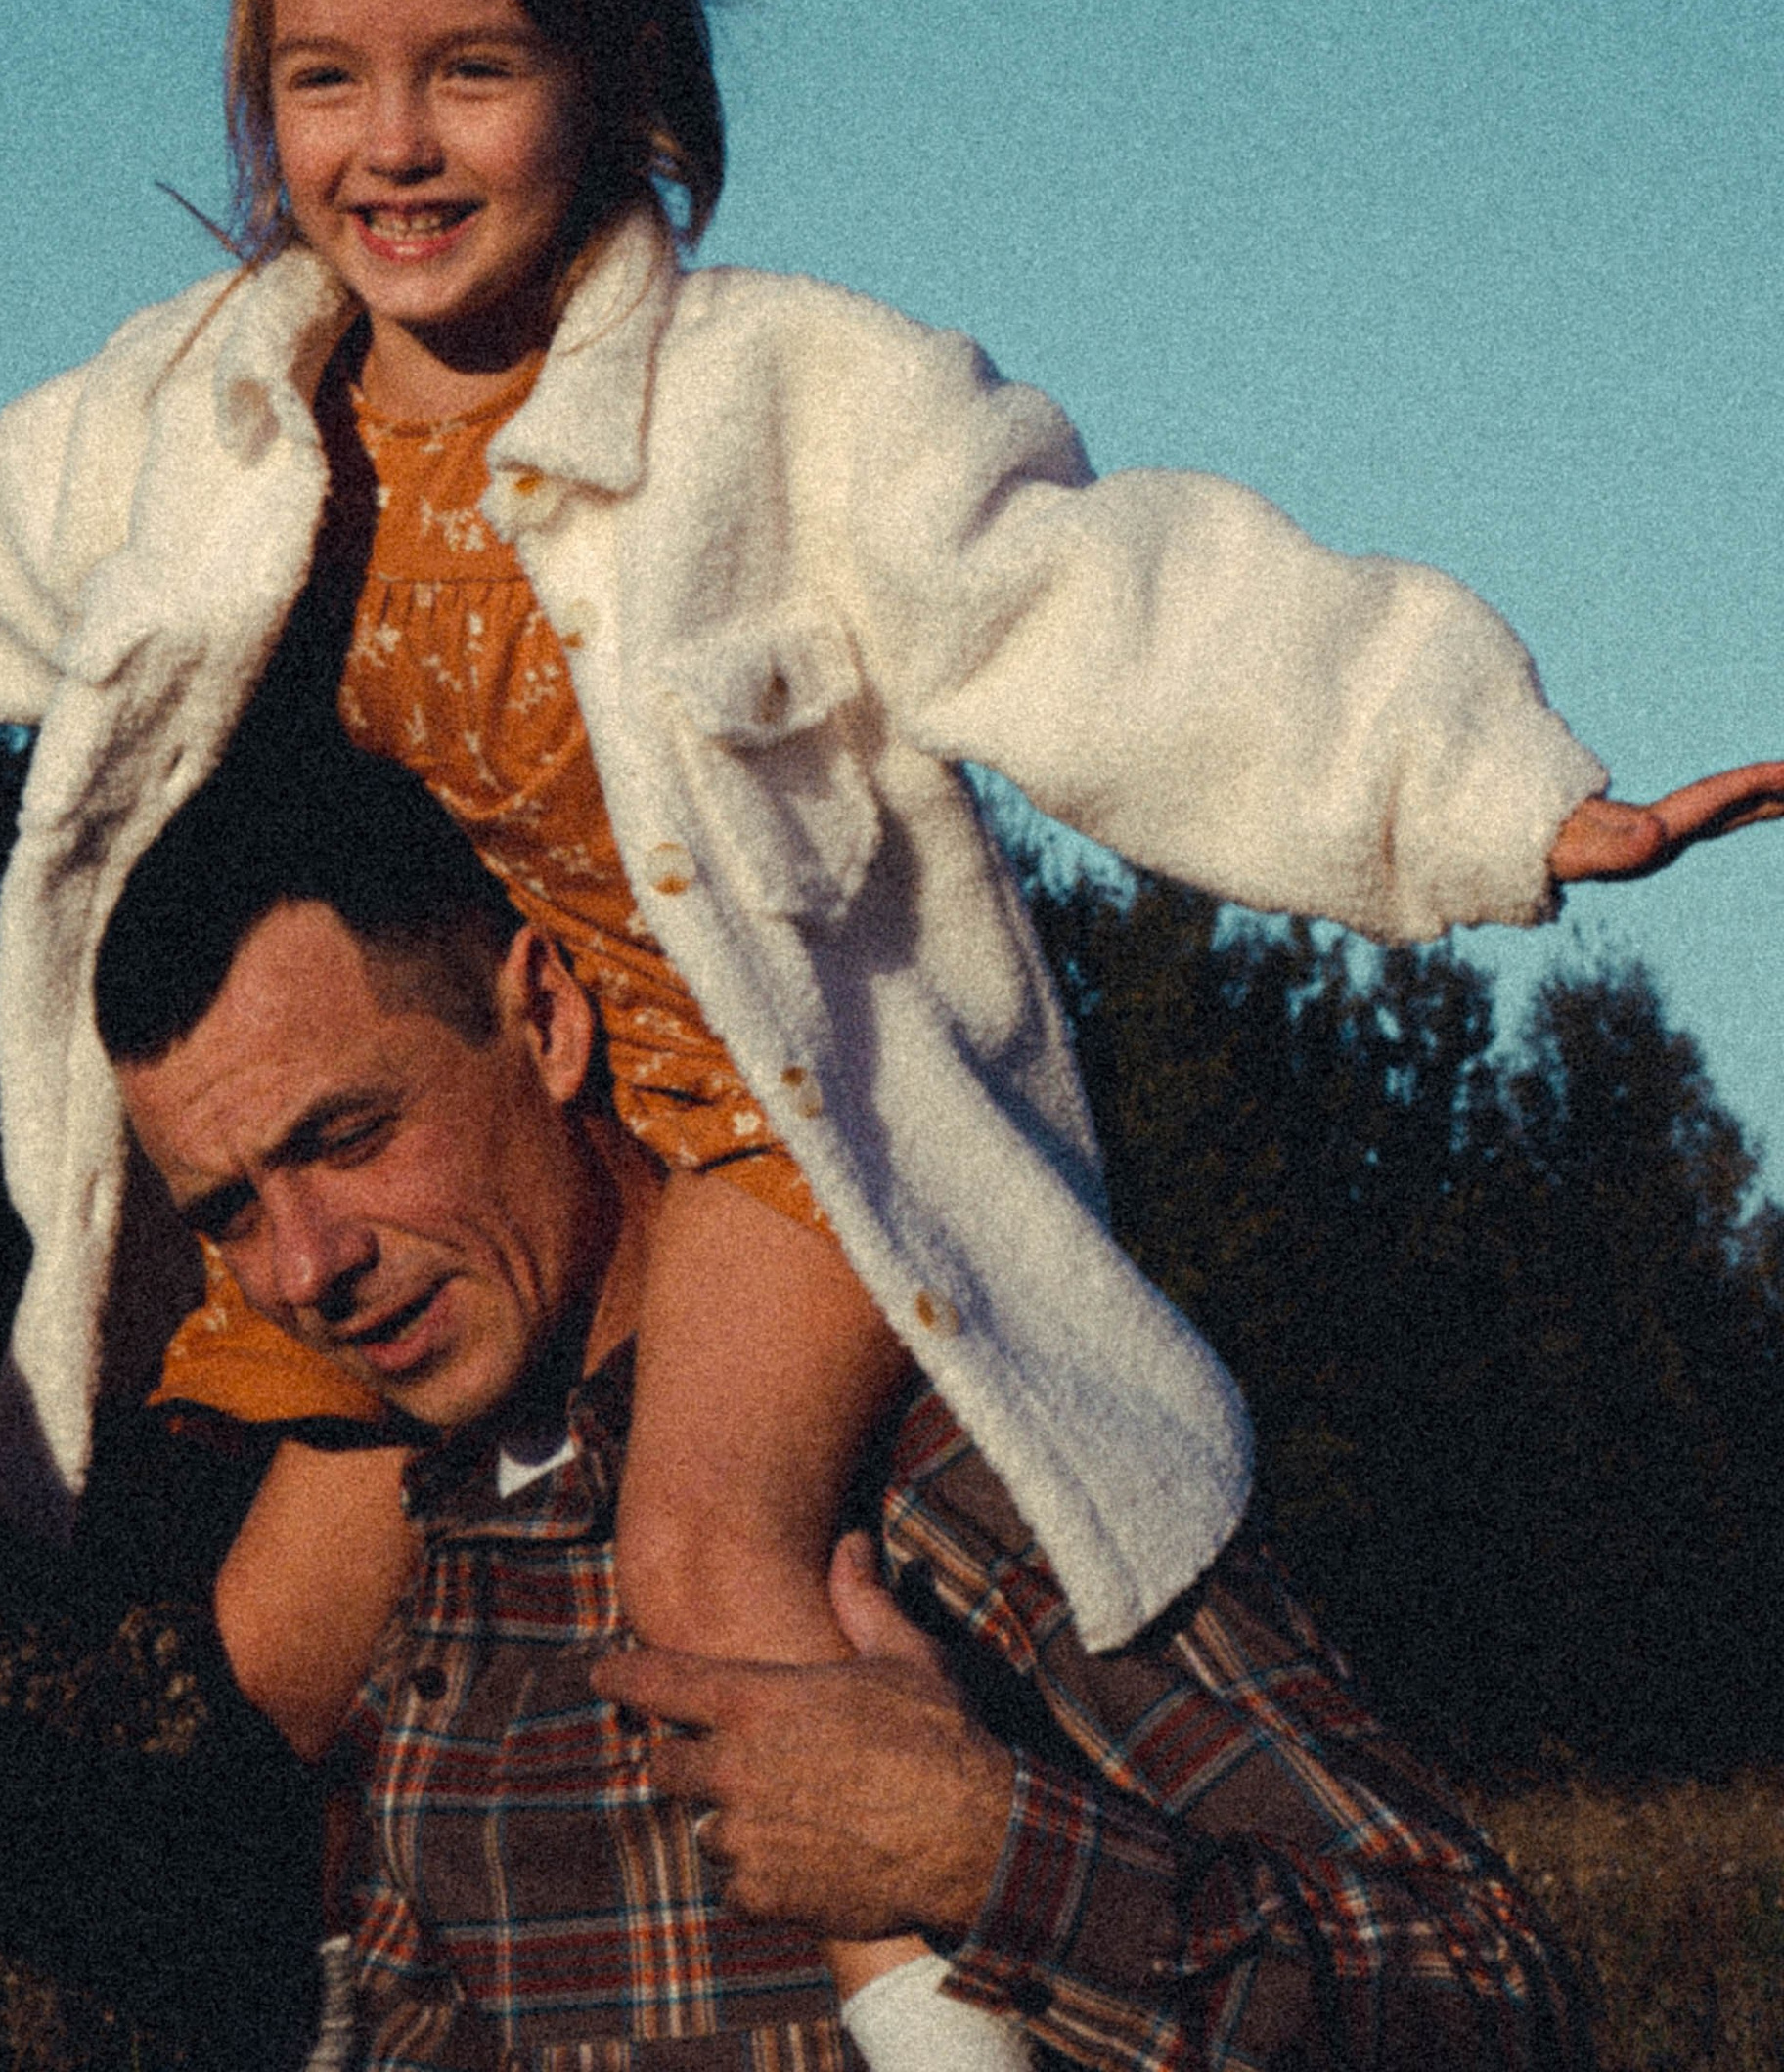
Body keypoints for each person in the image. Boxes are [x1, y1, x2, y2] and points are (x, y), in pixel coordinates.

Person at [0, 0, 1774, 1977]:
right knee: (235, 1694)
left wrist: (1473, 793)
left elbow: (1101, 611)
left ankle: (930, 2018)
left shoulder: (781, 401)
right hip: (476, 1130)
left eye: (468, 69)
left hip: (755, 1124)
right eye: (324, 79)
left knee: (705, 1568)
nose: (390, 143)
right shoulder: (201, 414)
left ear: (617, 78)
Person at [96, 739, 1590, 2072]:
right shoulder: (414, 1566)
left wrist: (981, 1849)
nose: (306, 1267)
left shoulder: (926, 1463)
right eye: (229, 1212)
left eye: (350, 1137)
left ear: (545, 1021)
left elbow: (1497, 1999)